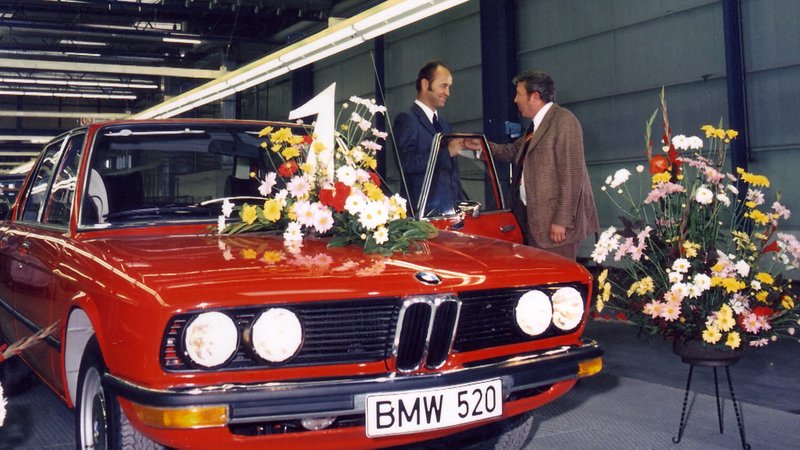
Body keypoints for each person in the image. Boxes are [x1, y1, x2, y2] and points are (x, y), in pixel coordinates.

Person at [480, 70, 598, 260]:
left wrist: (562, 222)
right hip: (536, 222)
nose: (515, 100)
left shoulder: (564, 121)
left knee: (558, 283)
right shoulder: (536, 126)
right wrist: (479, 147)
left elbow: (572, 176)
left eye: (519, 94)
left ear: (534, 96)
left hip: (556, 227)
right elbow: (512, 151)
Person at [394, 60, 463, 216]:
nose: (448, 93)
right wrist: (447, 153)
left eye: (449, 87)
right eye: (443, 86)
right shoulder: (407, 120)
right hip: (423, 216)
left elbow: (452, 174)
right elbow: (406, 164)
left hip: (451, 214)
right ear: (425, 84)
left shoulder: (445, 126)